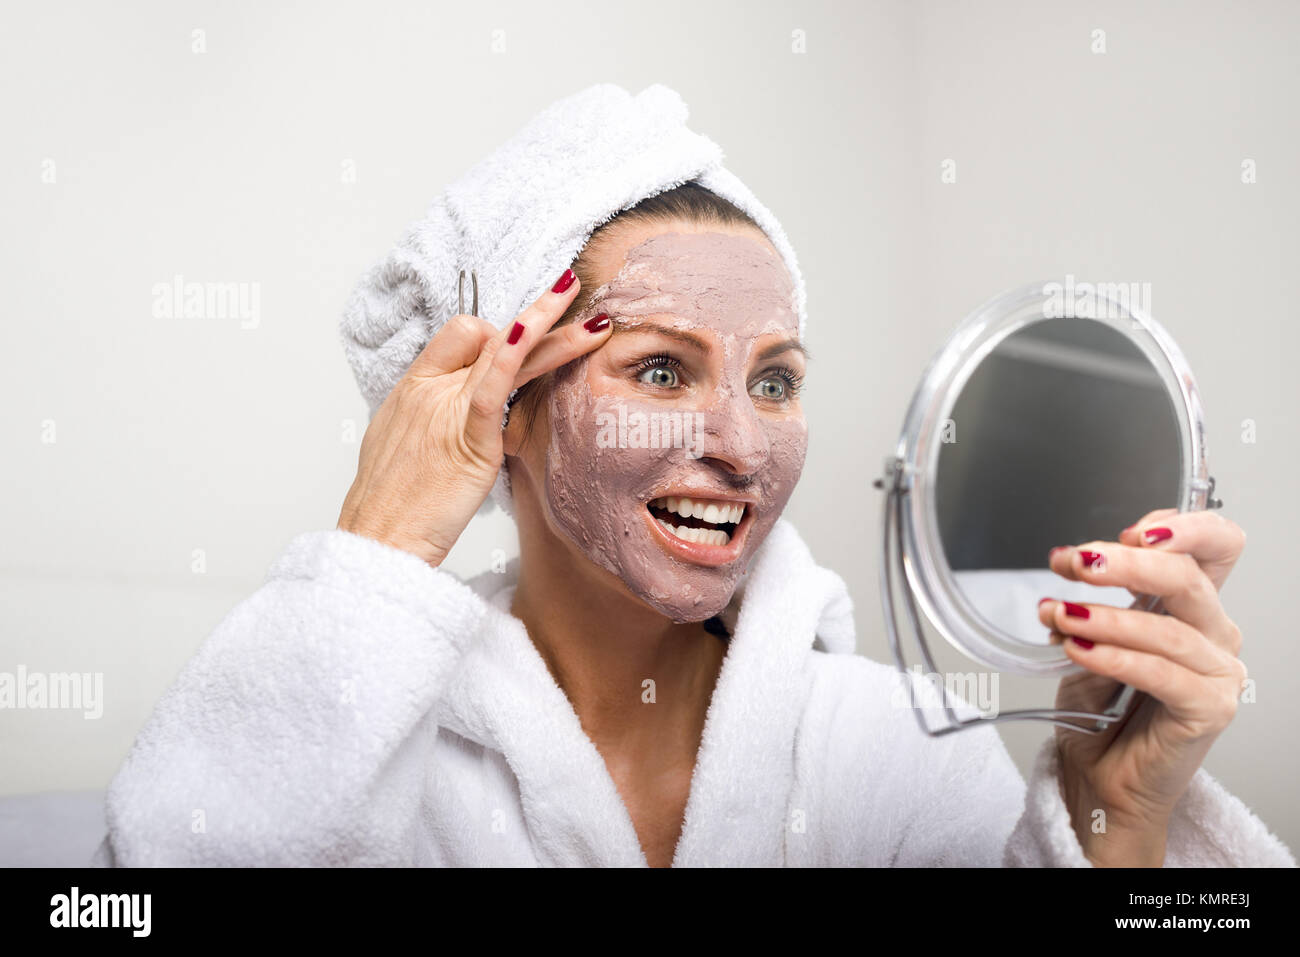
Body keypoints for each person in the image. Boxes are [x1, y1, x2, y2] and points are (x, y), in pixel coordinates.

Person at [92, 85, 1294, 868]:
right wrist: (372, 557)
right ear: (500, 410)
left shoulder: (892, 753)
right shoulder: (373, 758)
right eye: (661, 371)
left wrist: (1117, 822)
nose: (740, 441)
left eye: (774, 381)